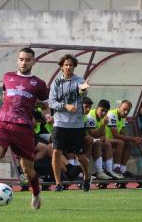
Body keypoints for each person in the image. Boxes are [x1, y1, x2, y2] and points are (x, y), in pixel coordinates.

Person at [0, 47, 49, 210]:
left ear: (33, 61)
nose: (23, 62)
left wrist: (45, 115)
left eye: (27, 59)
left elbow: (46, 105)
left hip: (23, 128)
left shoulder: (39, 84)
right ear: (17, 60)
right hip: (3, 123)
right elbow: (6, 96)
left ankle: (36, 193)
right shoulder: (7, 76)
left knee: (28, 170)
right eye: (21, 59)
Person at [48, 54, 91, 192]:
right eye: (66, 65)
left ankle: (86, 176)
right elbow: (51, 102)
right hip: (60, 124)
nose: (68, 67)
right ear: (61, 67)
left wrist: (83, 90)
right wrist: (65, 106)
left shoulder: (79, 80)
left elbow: (83, 91)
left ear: (74, 66)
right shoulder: (56, 83)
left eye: (71, 65)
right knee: (56, 152)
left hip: (76, 125)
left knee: (80, 156)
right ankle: (58, 183)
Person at [85, 99, 123, 179]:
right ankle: (93, 172)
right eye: (102, 110)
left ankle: (109, 171)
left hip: (94, 139)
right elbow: (93, 133)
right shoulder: (90, 116)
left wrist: (100, 136)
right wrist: (103, 126)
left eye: (106, 111)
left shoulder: (103, 117)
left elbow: (103, 135)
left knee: (107, 143)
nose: (103, 113)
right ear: (96, 108)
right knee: (95, 142)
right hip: (85, 140)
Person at [106, 100, 142, 177]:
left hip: (112, 140)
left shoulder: (123, 117)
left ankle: (122, 170)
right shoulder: (112, 115)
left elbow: (122, 133)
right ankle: (116, 168)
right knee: (121, 142)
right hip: (104, 139)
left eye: (128, 111)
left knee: (128, 143)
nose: (126, 112)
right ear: (119, 107)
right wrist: (133, 139)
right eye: (124, 109)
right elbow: (116, 135)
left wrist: (133, 140)